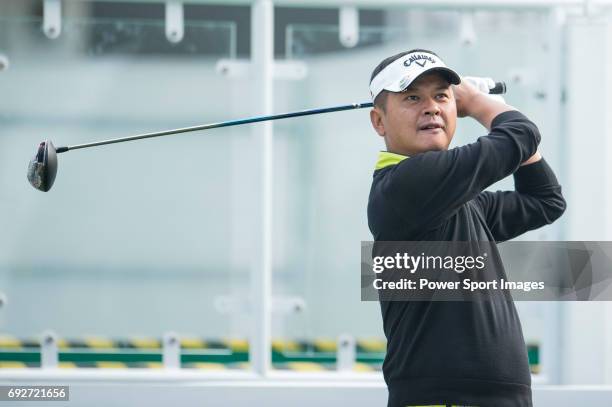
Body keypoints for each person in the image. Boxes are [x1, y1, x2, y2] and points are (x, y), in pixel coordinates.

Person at [366, 49, 566, 407]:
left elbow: (545, 201)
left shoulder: (457, 197)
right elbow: (521, 133)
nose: (431, 107)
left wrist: (492, 111)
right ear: (379, 122)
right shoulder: (406, 185)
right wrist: (479, 104)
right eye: (412, 97)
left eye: (442, 96)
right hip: (444, 399)